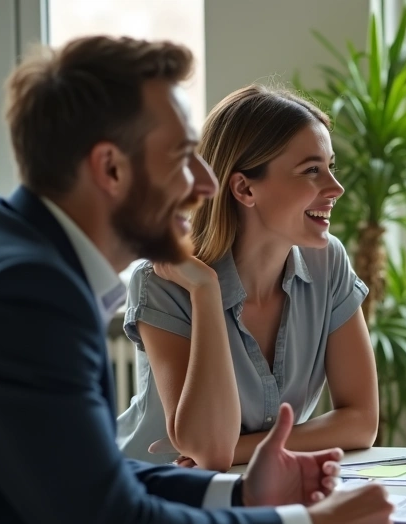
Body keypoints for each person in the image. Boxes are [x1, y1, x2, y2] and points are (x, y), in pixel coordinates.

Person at [0, 36, 392, 524]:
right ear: (110, 168)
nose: (204, 184)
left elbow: (91, 475)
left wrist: (236, 498)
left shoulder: (22, 258)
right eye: (183, 156)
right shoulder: (24, 292)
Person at [118, 85, 378, 471]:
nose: (335, 188)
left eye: (330, 167)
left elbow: (361, 421)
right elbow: (207, 445)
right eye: (311, 170)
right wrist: (205, 292)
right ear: (244, 188)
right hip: (154, 498)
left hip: (254, 487)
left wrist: (241, 450)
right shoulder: (164, 280)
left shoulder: (329, 262)